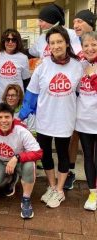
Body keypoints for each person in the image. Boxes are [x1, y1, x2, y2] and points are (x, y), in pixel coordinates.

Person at [19, 26, 83, 208]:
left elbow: (81, 94)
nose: (56, 46)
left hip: (65, 119)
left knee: (63, 154)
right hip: (44, 119)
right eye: (52, 42)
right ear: (48, 46)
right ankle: (52, 186)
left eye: (59, 42)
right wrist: (21, 116)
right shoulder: (43, 66)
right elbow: (31, 94)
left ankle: (60, 190)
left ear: (67, 43)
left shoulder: (77, 66)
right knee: (45, 154)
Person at [64, 9, 96, 190]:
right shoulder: (73, 44)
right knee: (72, 138)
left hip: (90, 102)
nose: (75, 25)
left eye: (79, 21)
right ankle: (70, 171)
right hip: (77, 101)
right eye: (74, 22)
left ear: (90, 23)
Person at [75, 31, 97, 211]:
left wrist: (92, 75)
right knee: (88, 156)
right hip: (84, 120)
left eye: (94, 44)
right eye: (86, 45)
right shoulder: (79, 65)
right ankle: (92, 192)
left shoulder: (88, 69)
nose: (90, 48)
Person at [2, 84, 43, 170]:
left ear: (19, 97)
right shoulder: (1, 111)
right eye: (8, 95)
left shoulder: (28, 112)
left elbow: (33, 135)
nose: (10, 98)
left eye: (13, 95)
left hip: (23, 144)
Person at [0, 29, 30, 107]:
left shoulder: (23, 58)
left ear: (17, 42)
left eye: (13, 40)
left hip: (16, 101)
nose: (10, 42)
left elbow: (26, 81)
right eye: (7, 39)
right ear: (4, 41)